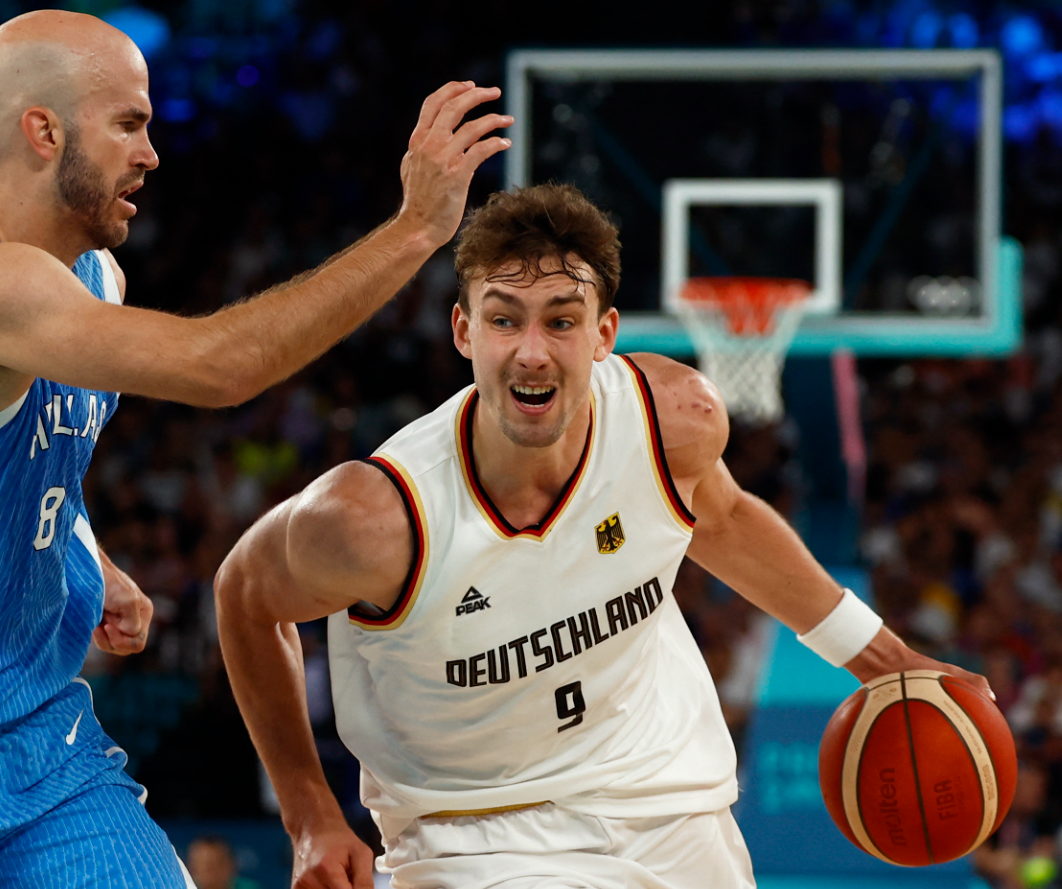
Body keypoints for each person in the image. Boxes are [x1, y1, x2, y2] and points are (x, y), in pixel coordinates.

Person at [0, 9, 511, 888]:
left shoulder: (90, 278)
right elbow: (222, 367)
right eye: (130, 124)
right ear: (44, 131)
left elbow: (16, 455)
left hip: (35, 751)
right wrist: (415, 228)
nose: (151, 153)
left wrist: (86, 552)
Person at [213, 184, 993, 889]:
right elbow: (244, 595)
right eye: (503, 319)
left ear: (603, 332)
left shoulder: (671, 423)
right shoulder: (374, 518)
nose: (531, 350)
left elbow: (719, 518)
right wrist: (309, 811)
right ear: (464, 331)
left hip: (673, 808)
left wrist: (888, 661)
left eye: (561, 320)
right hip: (478, 837)